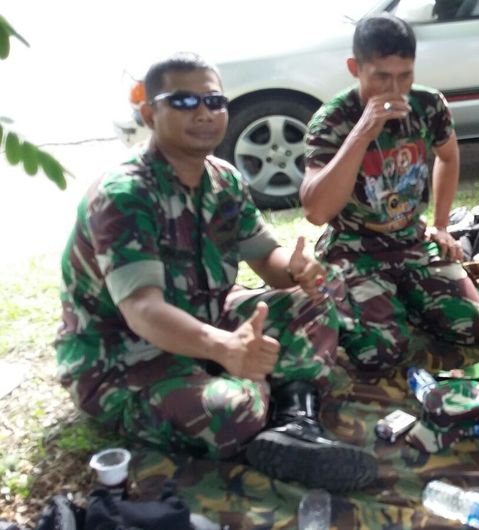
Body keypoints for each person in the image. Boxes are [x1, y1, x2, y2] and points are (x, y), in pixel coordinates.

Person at [55, 53, 377, 491]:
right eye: (184, 102)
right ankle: (265, 402)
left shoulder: (224, 179)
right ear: (149, 114)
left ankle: (294, 423)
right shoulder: (125, 193)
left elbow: (266, 258)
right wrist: (224, 348)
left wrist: (297, 268)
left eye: (214, 101)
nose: (204, 113)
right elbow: (142, 311)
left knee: (317, 298)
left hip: (207, 318)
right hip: (124, 356)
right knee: (231, 414)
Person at [301, 14, 479, 371]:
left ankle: (399, 298)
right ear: (355, 68)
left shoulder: (427, 105)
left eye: (405, 76)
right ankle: (354, 297)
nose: (395, 89)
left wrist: (441, 225)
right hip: (354, 247)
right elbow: (316, 211)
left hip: (410, 239)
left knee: (472, 325)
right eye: (382, 77)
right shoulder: (333, 120)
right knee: (379, 351)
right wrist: (362, 132)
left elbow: (448, 156)